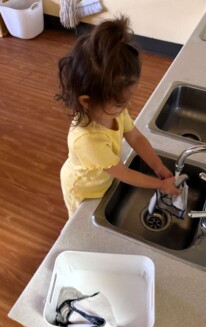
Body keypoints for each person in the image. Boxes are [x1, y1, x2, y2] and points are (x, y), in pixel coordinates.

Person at [56, 15, 180, 218]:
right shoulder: (87, 140)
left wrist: (158, 166)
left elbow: (136, 137)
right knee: (78, 220)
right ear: (87, 101)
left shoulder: (113, 110)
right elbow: (124, 173)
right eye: (120, 103)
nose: (126, 107)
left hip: (104, 177)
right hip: (83, 188)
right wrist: (160, 185)